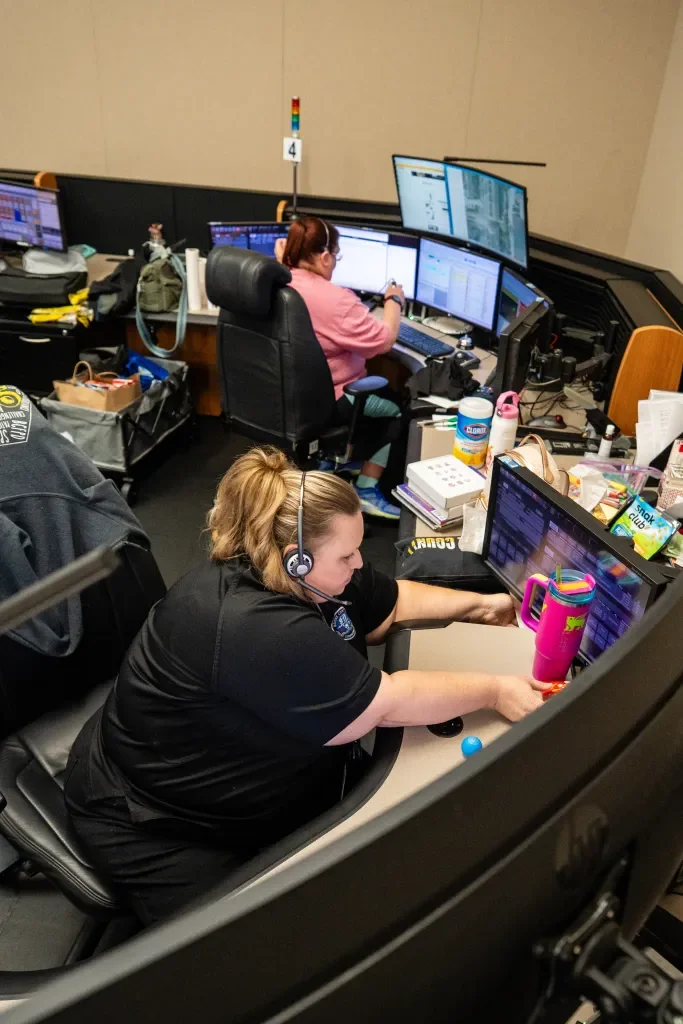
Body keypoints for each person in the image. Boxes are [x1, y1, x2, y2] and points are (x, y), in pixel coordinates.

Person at [65, 447, 549, 925]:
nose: (360, 563)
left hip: (236, 772)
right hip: (159, 824)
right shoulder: (253, 624)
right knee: (259, 954)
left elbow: (393, 602)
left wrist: (483, 606)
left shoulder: (306, 572)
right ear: (296, 560)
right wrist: (496, 690)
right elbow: (386, 703)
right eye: (348, 555)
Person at [279, 216, 405, 521]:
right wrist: (394, 301)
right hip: (333, 397)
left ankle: (332, 461)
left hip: (289, 394)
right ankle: (367, 490)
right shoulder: (336, 300)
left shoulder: (278, 280)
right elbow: (384, 340)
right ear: (324, 257)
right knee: (398, 409)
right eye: (335, 256)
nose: (335, 263)